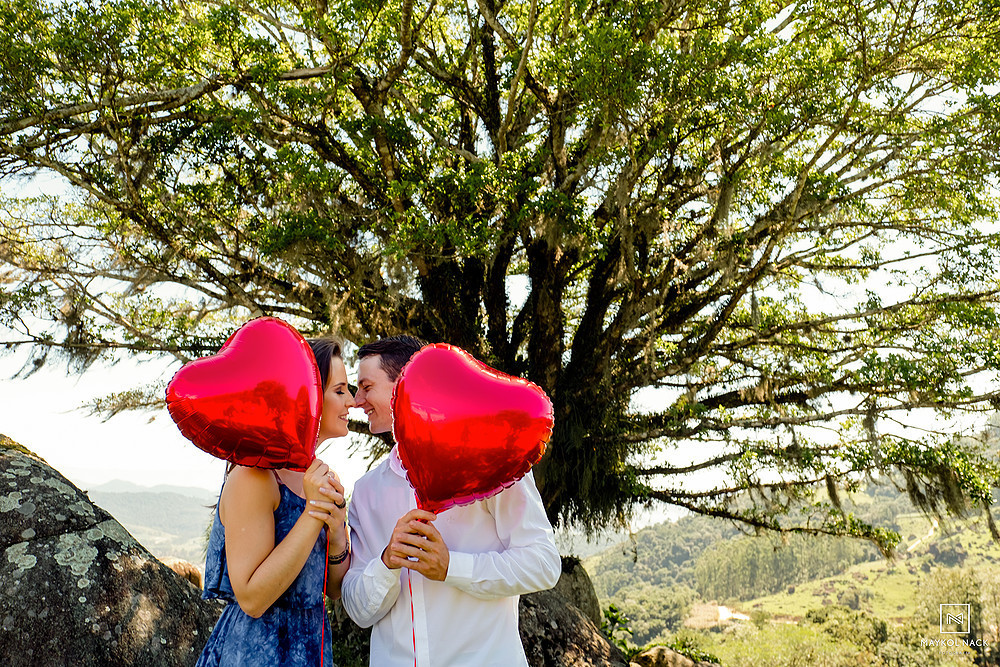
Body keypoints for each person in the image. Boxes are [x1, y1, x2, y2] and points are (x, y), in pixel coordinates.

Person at [341, 335, 562, 666]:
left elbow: (543, 565)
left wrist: (451, 568)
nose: (357, 400)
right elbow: (359, 612)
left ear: (404, 384)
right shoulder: (365, 491)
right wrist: (386, 564)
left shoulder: (490, 463)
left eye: (366, 387)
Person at [196, 337, 353, 666]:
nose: (351, 401)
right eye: (340, 391)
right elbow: (252, 598)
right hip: (254, 652)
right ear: (309, 396)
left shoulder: (321, 478)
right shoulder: (255, 477)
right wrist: (314, 513)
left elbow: (334, 589)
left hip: (310, 649)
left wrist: (338, 534)